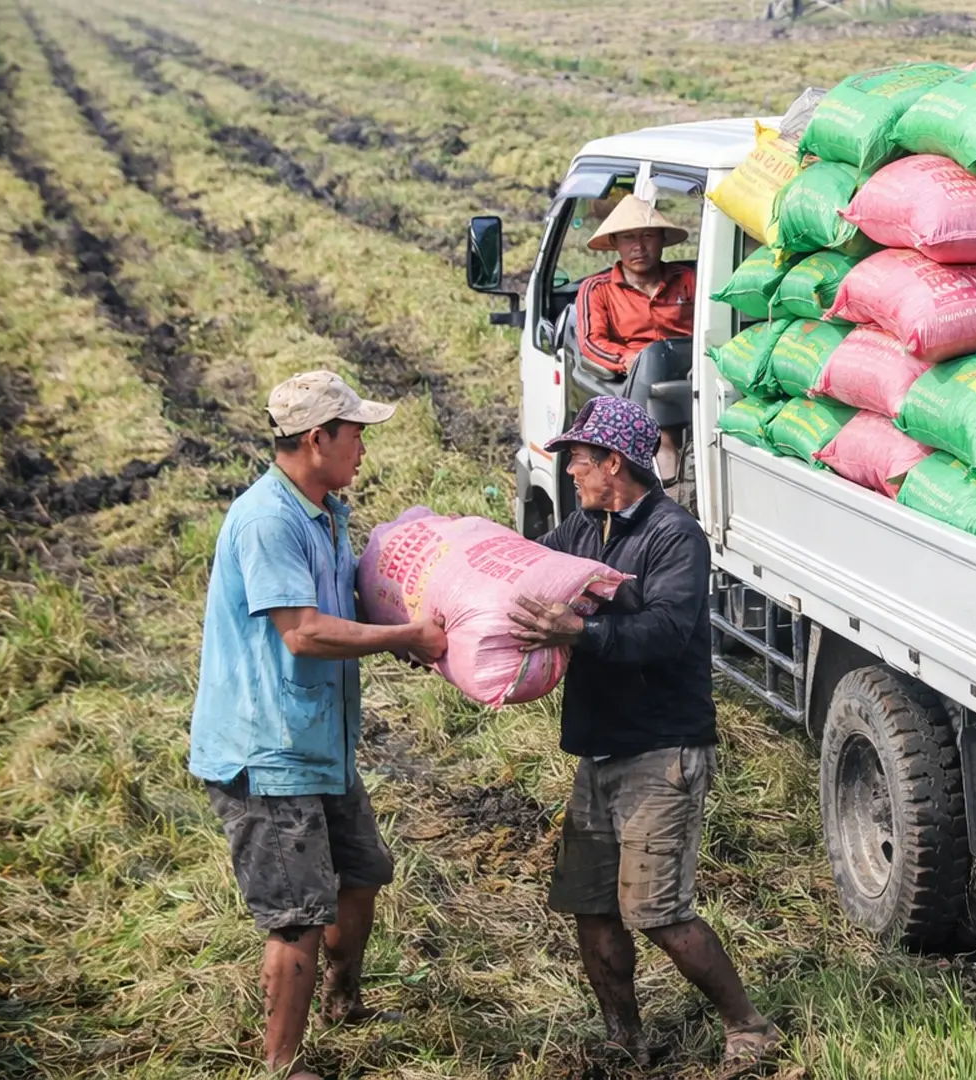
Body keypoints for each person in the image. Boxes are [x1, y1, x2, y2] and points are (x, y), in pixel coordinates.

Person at [188, 371, 447, 1080]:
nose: (363, 449)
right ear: (316, 439)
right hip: (267, 752)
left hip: (319, 741)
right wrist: (404, 637)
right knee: (297, 914)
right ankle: (282, 1064)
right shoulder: (268, 520)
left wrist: (407, 633)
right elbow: (302, 632)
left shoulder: (326, 513)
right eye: (355, 435)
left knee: (361, 874)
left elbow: (341, 611)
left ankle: (343, 999)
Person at [507, 396, 779, 1071]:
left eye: (579, 458)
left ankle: (748, 1026)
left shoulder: (673, 535)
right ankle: (623, 1038)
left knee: (657, 911)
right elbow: (524, 568)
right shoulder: (582, 527)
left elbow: (666, 631)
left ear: (615, 463)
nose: (570, 469)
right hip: (598, 747)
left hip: (662, 750)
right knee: (591, 906)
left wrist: (581, 631)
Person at [575, 195, 695, 491]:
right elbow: (592, 342)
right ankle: (665, 477)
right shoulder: (597, 289)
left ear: (662, 239)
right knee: (651, 361)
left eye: (648, 236)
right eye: (629, 238)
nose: (639, 247)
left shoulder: (689, 280)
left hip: (691, 374)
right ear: (615, 243)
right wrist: (631, 358)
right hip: (636, 386)